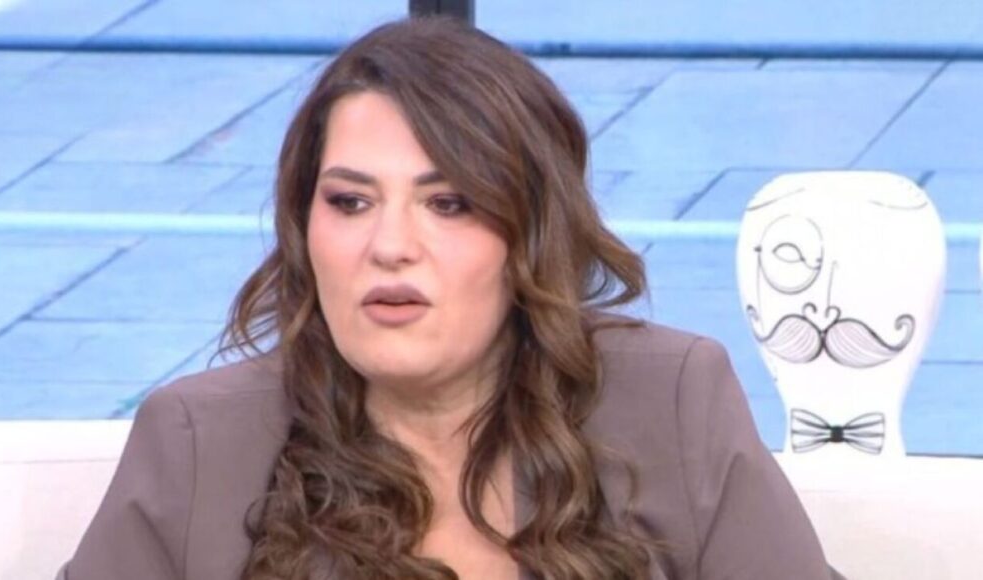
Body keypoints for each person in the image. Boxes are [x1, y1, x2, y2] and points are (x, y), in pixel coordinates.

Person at [58, 16, 840, 580]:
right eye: (350, 202)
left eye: (448, 203)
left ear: (528, 232)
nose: (390, 245)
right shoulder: (200, 443)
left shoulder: (671, 400)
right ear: (304, 226)